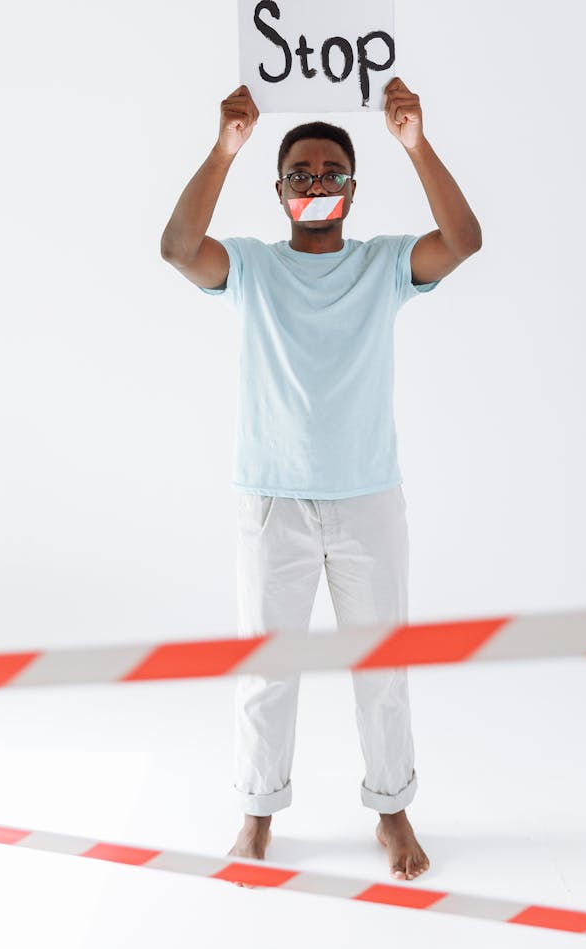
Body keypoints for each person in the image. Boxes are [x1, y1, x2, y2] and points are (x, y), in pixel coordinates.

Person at [160, 76, 482, 887]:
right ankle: (259, 809)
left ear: (350, 187)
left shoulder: (382, 266)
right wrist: (226, 147)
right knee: (268, 666)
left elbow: (465, 238)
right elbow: (175, 248)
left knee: (382, 664)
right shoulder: (251, 269)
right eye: (299, 172)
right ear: (279, 189)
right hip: (272, 500)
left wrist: (413, 140)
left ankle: (391, 804)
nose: (314, 183)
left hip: (368, 497)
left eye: (330, 172)